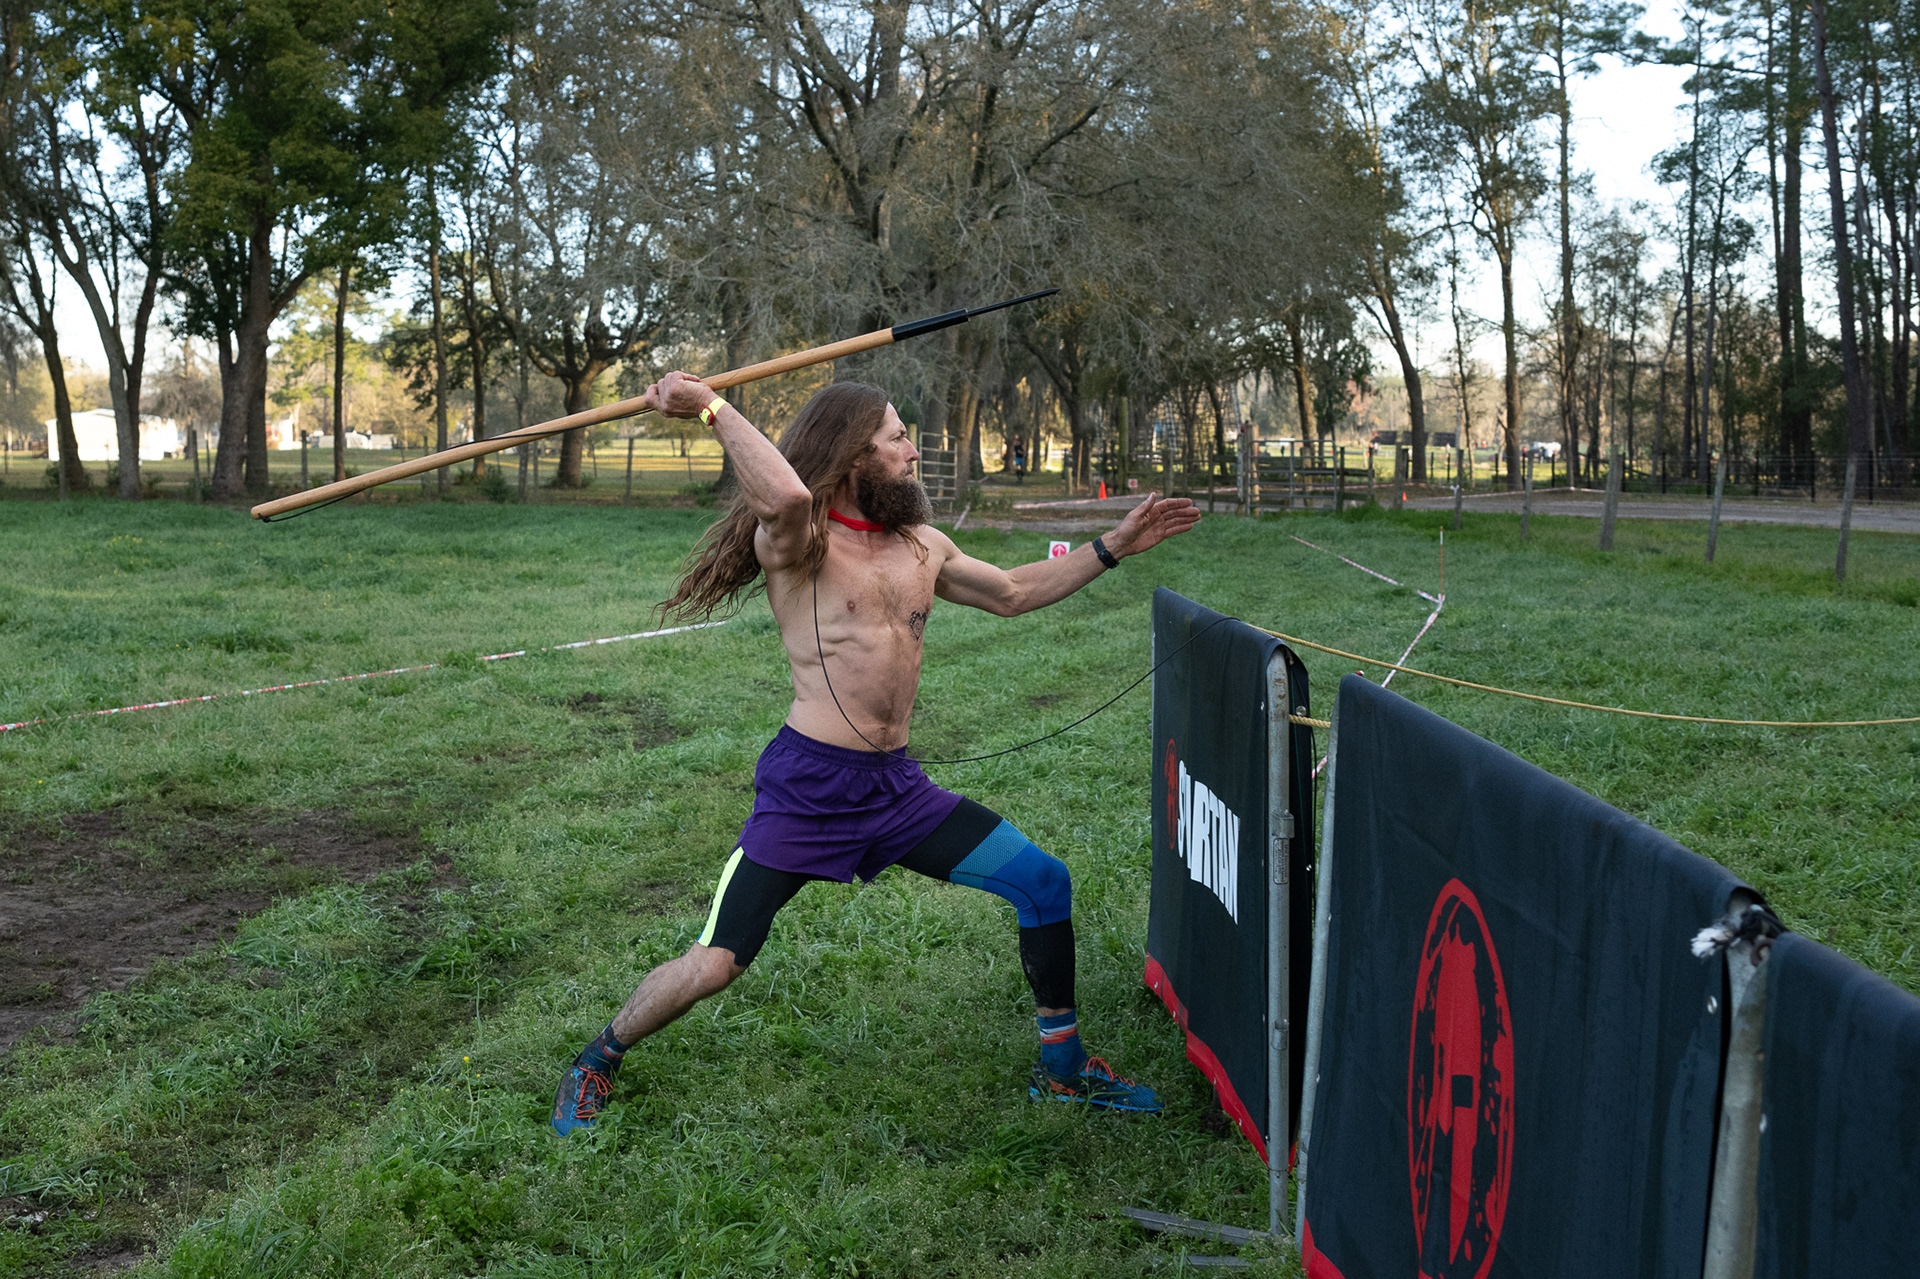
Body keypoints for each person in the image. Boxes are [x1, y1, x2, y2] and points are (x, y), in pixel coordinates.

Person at [552, 375, 1201, 1136]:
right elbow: (786, 496)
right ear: (854, 454)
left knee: (1042, 881)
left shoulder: (922, 545)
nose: (912, 450)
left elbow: (1013, 592)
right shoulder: (799, 542)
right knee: (718, 960)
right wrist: (710, 407)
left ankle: (1062, 1070)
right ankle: (597, 1058)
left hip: (897, 790)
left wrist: (1113, 545)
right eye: (896, 437)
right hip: (808, 790)